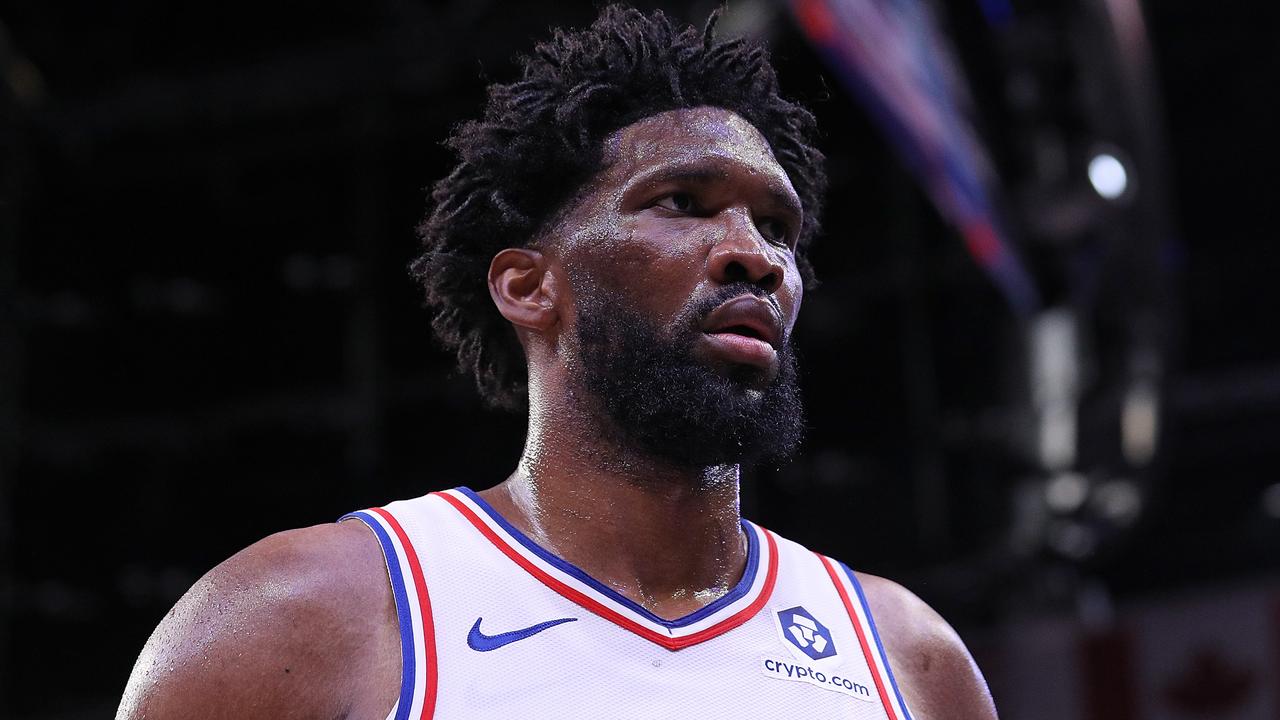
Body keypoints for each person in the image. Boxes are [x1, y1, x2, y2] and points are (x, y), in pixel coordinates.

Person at [118, 6, 998, 719]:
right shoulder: (301, 617)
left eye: (777, 226)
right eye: (683, 202)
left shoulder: (909, 659)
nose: (755, 255)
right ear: (528, 286)